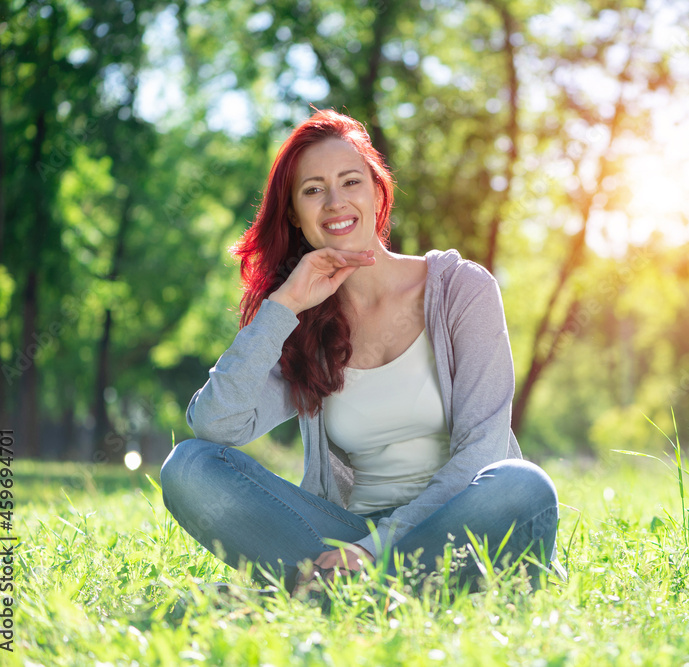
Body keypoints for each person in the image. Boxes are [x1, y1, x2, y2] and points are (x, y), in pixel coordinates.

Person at [159, 108, 560, 596]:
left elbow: (482, 454)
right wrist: (283, 306)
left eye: (350, 182)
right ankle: (376, 596)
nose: (334, 202)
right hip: (344, 540)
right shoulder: (306, 323)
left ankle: (337, 594)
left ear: (377, 192)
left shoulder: (461, 289)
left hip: (462, 528)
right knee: (189, 466)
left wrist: (374, 551)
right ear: (293, 213)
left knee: (523, 486)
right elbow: (216, 426)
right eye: (312, 190)